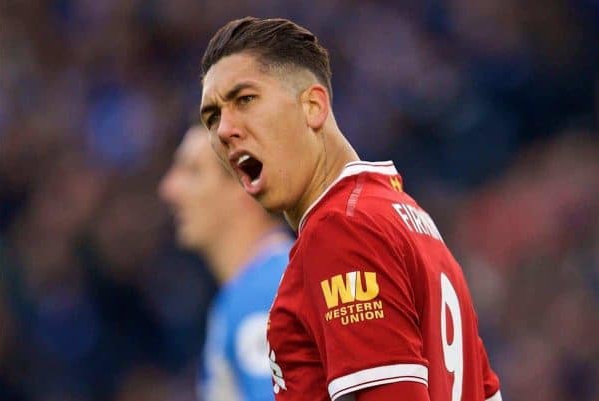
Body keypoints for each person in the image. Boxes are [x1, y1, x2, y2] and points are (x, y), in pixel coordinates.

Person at [198, 16, 502, 401]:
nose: (224, 130)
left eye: (245, 100)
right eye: (213, 117)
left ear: (312, 106)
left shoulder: (341, 229)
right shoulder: (407, 216)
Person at [159, 125, 293, 401]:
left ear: (247, 185)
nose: (169, 189)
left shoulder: (265, 294)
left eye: (193, 171)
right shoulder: (263, 285)